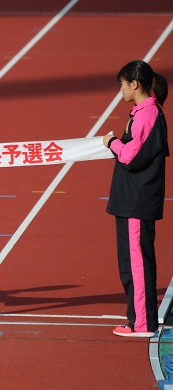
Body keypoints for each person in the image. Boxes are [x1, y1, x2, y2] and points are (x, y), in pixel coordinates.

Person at [102, 60, 169, 337]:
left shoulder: (147, 114)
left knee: (136, 263)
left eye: (122, 83)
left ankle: (141, 324)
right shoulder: (143, 112)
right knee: (134, 262)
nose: (120, 89)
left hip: (136, 203)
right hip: (133, 200)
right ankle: (140, 319)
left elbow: (130, 155)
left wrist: (111, 142)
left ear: (135, 84)